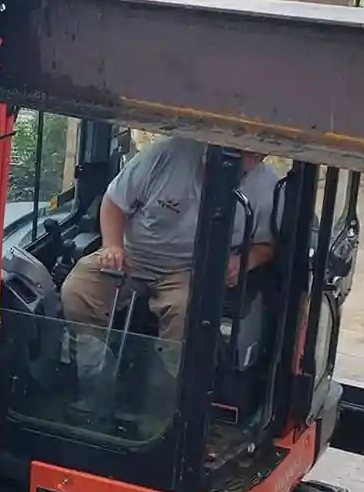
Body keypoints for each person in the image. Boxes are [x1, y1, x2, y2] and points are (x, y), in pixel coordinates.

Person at [60, 136, 278, 347]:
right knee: (78, 290)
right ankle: (92, 365)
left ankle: (168, 379)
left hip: (191, 271)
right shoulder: (165, 154)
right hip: (131, 256)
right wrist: (112, 245)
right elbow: (114, 202)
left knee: (188, 312)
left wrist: (243, 262)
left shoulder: (267, 187)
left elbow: (266, 244)